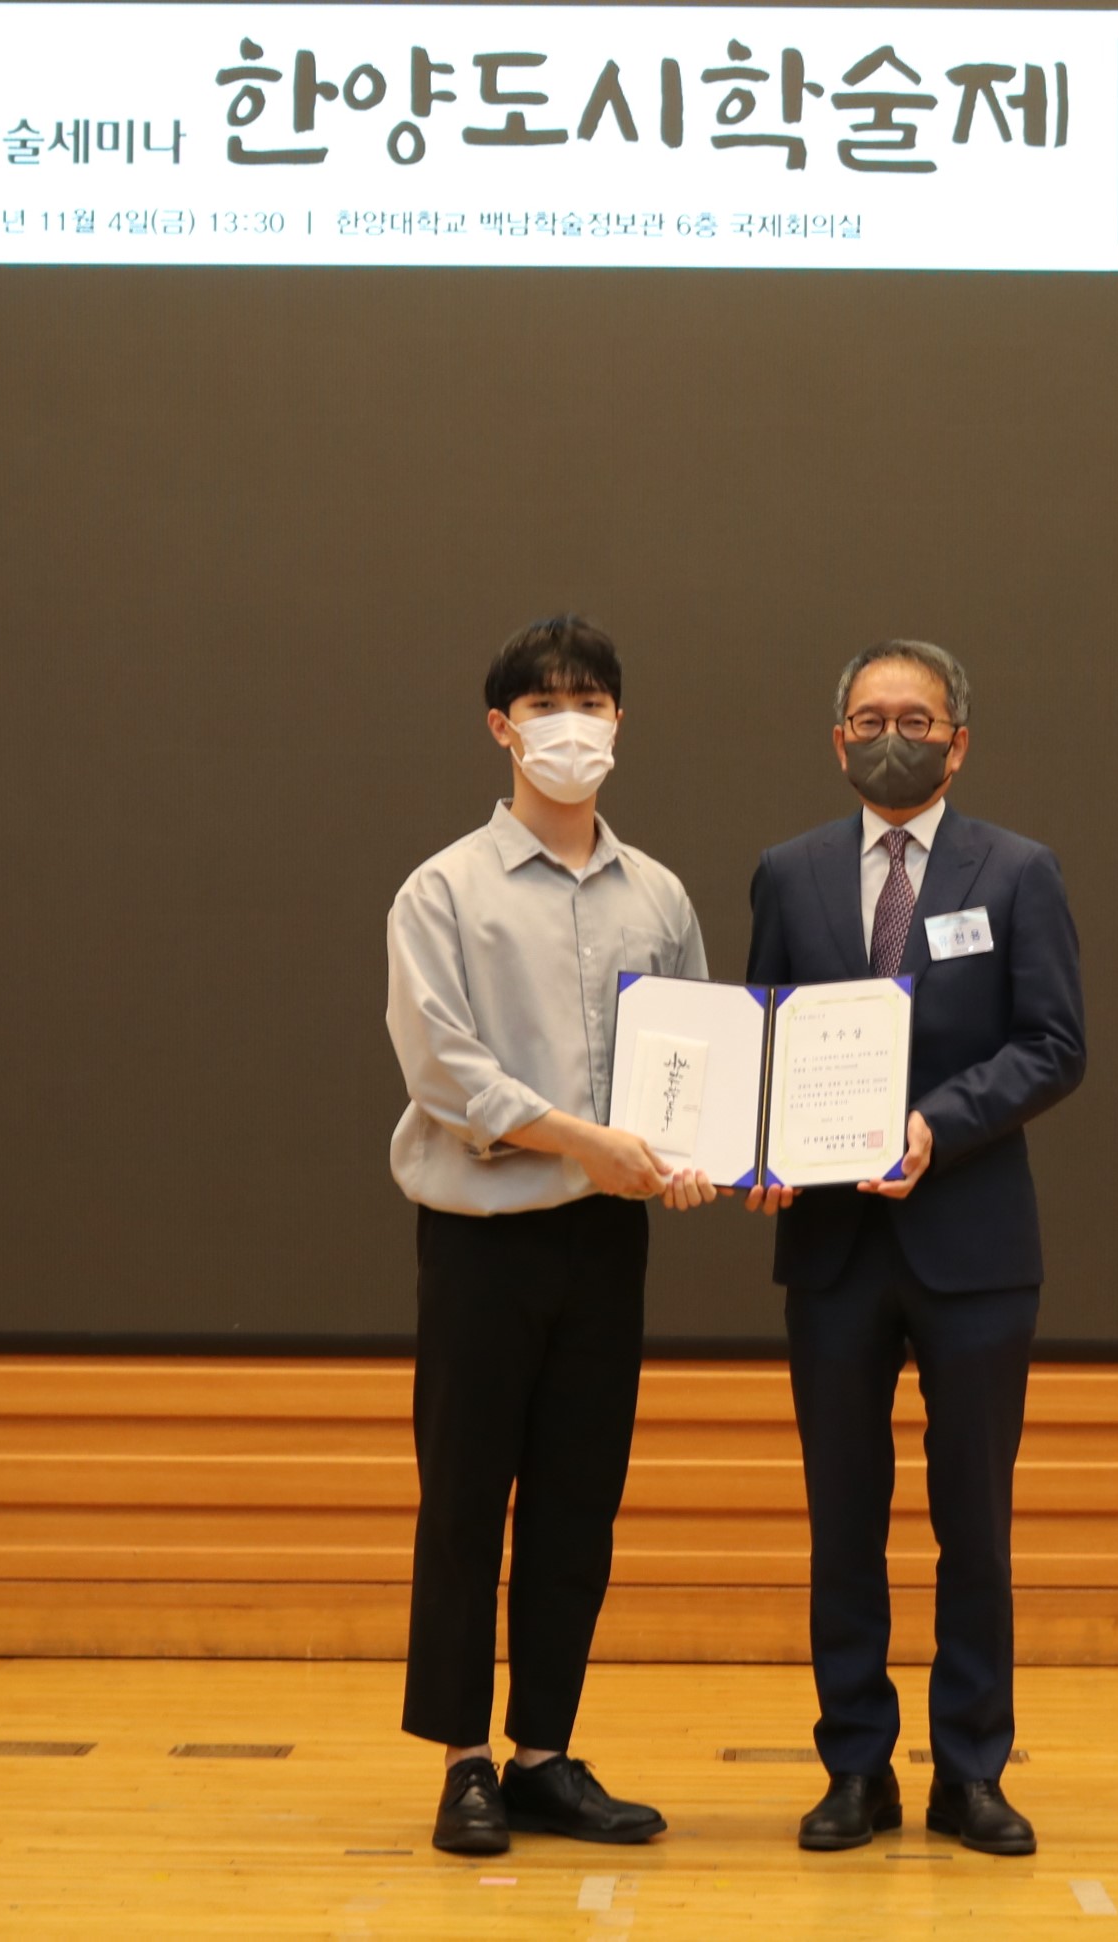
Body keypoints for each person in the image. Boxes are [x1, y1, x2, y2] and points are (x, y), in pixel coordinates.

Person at [744, 638, 1086, 1856]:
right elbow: (762, 1044)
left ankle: (969, 1771)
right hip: (833, 1252)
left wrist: (937, 1122)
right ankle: (854, 1767)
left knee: (972, 1522)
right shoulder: (786, 874)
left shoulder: (1019, 871)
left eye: (917, 718)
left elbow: (1054, 1043)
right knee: (842, 1520)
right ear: (838, 739)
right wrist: (755, 1149)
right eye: (871, 717)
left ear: (957, 741)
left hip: (973, 1250)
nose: (893, 735)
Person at [384, 615, 718, 1856]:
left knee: (579, 1500)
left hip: (605, 1242)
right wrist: (585, 1141)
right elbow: (443, 1070)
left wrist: (695, 1154)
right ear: (501, 727)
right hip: (480, 1240)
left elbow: (692, 1056)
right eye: (544, 704)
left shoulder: (659, 895)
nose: (569, 723)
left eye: (590, 701)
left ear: (619, 722)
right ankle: (461, 1761)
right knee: (465, 1499)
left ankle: (541, 1754)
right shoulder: (442, 890)